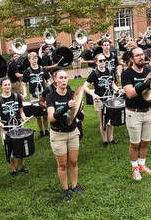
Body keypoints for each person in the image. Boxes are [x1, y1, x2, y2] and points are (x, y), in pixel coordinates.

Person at [46, 70, 85, 201]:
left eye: (66, 78)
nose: (64, 80)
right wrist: (66, 107)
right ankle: (65, 189)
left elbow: (82, 118)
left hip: (73, 132)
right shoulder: (51, 97)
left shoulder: (73, 94)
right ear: (55, 80)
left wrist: (78, 109)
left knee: (73, 162)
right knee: (62, 165)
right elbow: (52, 118)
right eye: (61, 78)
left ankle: (74, 186)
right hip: (58, 135)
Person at [121, 46, 151, 179]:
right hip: (134, 113)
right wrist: (145, 84)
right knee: (135, 143)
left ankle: (142, 165)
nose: (141, 57)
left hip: (149, 111)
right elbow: (130, 93)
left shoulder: (149, 70)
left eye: (142, 55)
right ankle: (135, 168)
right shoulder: (127, 74)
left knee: (145, 142)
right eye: (137, 55)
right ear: (131, 59)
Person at [0, 77, 29, 176]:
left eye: (9, 84)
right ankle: (13, 170)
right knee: (10, 150)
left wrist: (24, 118)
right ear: (1, 86)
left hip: (18, 127)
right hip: (6, 129)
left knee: (20, 148)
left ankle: (20, 167)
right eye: (5, 85)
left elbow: (21, 112)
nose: (7, 86)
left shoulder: (16, 97)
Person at [84, 53, 119, 148]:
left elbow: (112, 84)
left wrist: (118, 90)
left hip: (109, 98)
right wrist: (93, 95)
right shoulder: (94, 73)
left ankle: (111, 139)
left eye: (104, 60)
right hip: (99, 99)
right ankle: (105, 141)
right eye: (100, 61)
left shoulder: (110, 71)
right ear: (96, 62)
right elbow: (85, 86)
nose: (103, 62)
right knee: (103, 120)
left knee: (110, 120)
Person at [22, 52, 51, 138]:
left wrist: (50, 90)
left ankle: (46, 131)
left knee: (45, 114)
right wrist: (24, 93)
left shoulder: (43, 69)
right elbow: (24, 84)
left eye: (36, 58)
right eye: (32, 59)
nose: (35, 60)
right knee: (37, 115)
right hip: (34, 95)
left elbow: (48, 80)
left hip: (43, 95)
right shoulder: (27, 71)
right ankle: (41, 132)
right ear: (29, 60)